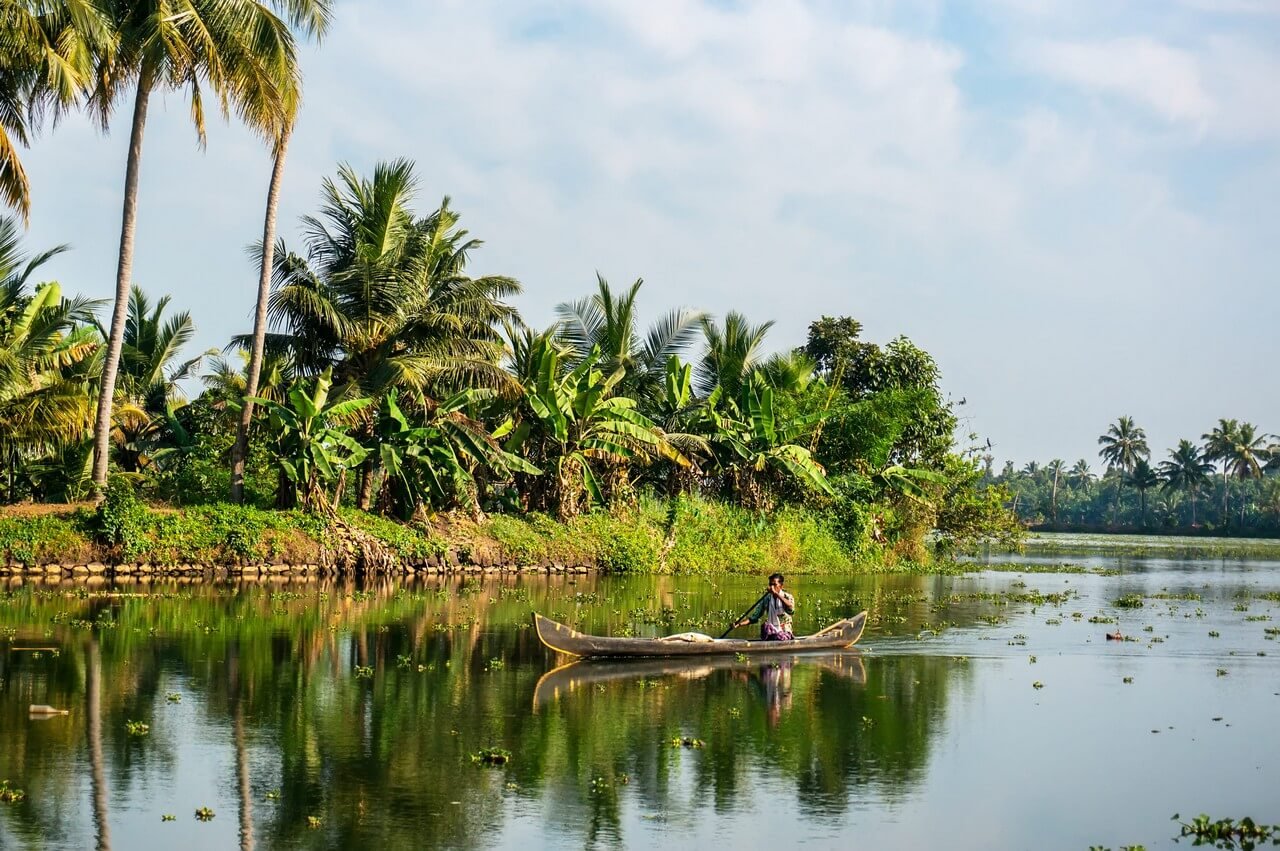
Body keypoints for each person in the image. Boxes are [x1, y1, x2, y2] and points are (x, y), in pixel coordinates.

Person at [734, 573, 795, 640]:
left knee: (778, 635)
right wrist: (739, 624)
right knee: (766, 626)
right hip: (772, 631)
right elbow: (754, 617)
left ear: (781, 586)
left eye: (774, 585)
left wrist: (776, 594)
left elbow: (791, 610)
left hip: (784, 631)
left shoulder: (787, 597)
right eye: (770, 584)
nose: (772, 587)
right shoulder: (767, 599)